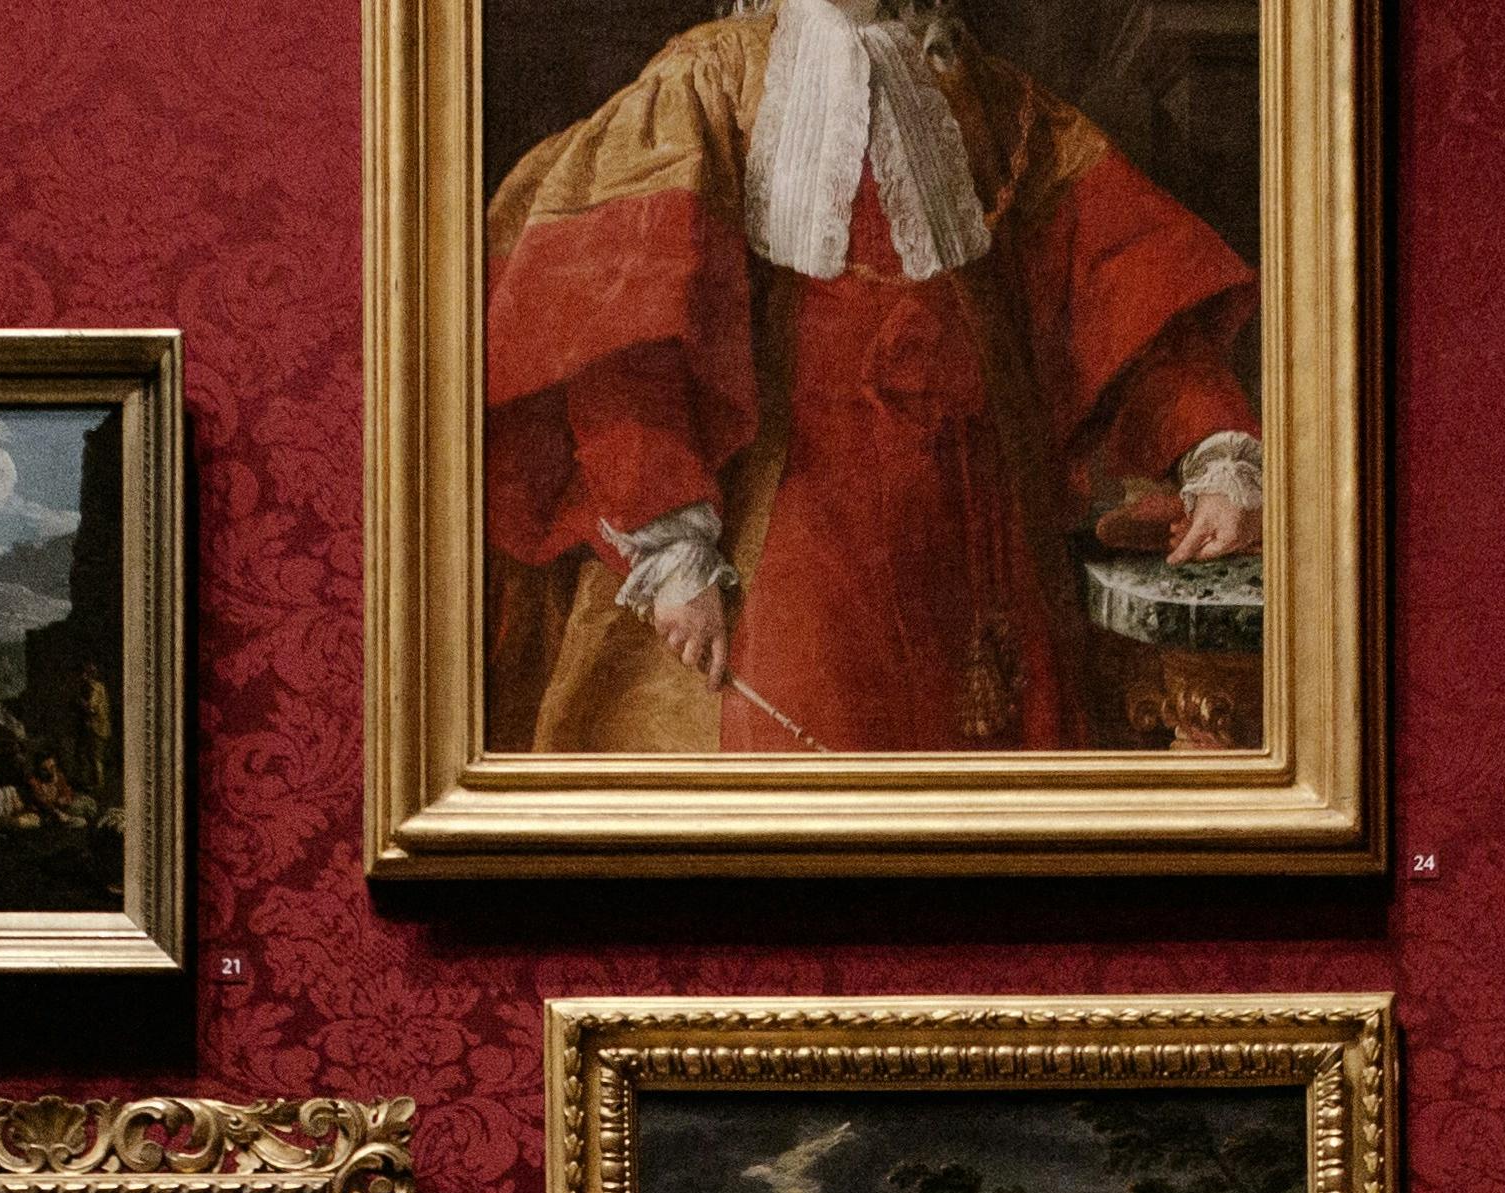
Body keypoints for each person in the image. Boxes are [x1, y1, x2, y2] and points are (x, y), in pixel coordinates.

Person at [481, 0, 1265, 754]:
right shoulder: (710, 81)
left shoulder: (988, 100)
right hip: (786, 564)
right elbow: (625, 340)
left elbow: (1124, 289)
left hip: (983, 564)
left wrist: (1217, 455)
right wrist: (672, 550)